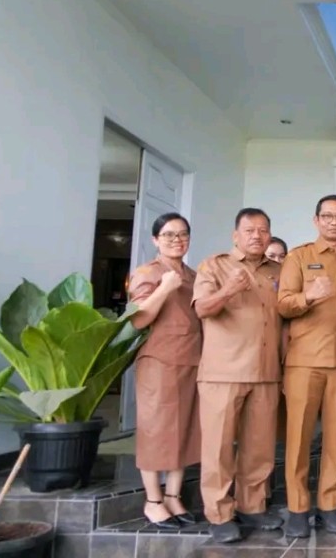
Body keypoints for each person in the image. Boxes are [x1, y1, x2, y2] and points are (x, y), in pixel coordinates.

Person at [276, 195, 336, 538]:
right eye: (328, 216)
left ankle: (329, 506)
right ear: (316, 220)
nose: (334, 222)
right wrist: (308, 296)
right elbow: (283, 304)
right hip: (304, 362)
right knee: (299, 438)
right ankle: (298, 508)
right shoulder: (298, 257)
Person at [192, 208, 284, 544]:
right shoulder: (214, 266)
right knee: (218, 449)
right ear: (235, 235)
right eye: (249, 230)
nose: (257, 236)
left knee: (259, 448)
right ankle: (219, 514)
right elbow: (202, 309)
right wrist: (229, 289)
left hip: (266, 372)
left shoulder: (279, 270)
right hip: (223, 372)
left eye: (263, 230)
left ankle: (252, 506)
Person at [126, 213, 202, 530]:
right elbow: (139, 319)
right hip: (159, 362)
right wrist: (165, 288)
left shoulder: (193, 275)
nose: (177, 240)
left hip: (192, 359)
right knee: (156, 430)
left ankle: (173, 496)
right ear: (156, 240)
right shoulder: (148, 272)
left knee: (184, 429)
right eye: (169, 235)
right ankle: (153, 500)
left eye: (182, 234)